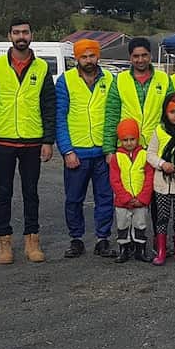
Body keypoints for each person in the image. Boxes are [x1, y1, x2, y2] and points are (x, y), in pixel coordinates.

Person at [0, 18, 56, 266]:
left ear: (32, 35)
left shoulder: (42, 68)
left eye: (25, 32)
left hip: (33, 142)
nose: (21, 36)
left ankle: (32, 241)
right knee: (3, 192)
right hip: (3, 141)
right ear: (9, 36)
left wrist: (48, 140)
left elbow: (49, 106)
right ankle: (5, 243)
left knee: (31, 193)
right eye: (16, 32)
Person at [56, 38, 116, 258]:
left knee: (105, 198)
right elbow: (59, 118)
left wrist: (112, 148)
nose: (89, 60)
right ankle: (76, 239)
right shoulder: (66, 81)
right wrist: (67, 150)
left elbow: (114, 115)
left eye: (92, 55)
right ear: (76, 58)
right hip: (76, 152)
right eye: (84, 56)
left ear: (98, 56)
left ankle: (103, 239)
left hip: (103, 152)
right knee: (74, 199)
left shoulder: (110, 79)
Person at [106, 37, 172, 153]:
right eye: (136, 56)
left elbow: (171, 114)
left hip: (156, 147)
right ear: (130, 57)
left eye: (144, 55)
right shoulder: (119, 80)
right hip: (127, 147)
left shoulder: (164, 79)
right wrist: (109, 150)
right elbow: (111, 116)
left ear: (150, 56)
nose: (140, 60)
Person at [147, 92, 175, 265]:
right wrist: (162, 164)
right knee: (162, 217)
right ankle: (161, 250)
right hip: (162, 183)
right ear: (166, 112)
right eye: (172, 111)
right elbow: (150, 154)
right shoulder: (159, 130)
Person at [108, 119, 154, 263]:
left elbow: (149, 178)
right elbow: (115, 181)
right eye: (125, 140)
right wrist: (126, 198)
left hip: (141, 201)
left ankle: (140, 250)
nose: (129, 143)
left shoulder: (144, 155)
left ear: (137, 138)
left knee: (140, 224)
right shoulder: (116, 157)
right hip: (122, 202)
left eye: (132, 139)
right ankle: (124, 249)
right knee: (122, 225)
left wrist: (143, 198)